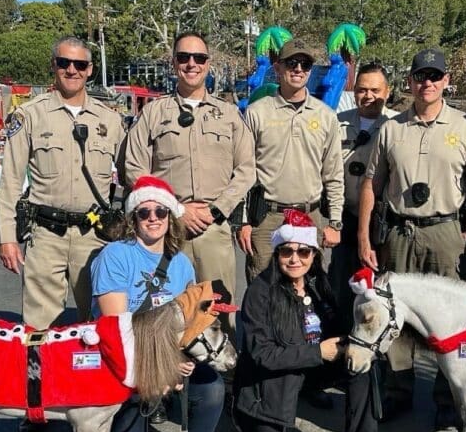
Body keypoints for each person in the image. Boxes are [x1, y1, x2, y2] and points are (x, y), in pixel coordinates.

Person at [0, 35, 125, 432]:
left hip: (95, 238)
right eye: (63, 63)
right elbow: (11, 180)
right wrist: (7, 237)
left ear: (90, 70)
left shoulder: (110, 118)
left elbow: (128, 173)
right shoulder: (31, 115)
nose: (72, 71)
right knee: (38, 329)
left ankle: (94, 396)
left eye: (80, 65)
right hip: (47, 234)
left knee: (97, 323)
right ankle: (35, 407)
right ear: (53, 66)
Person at [357, 48, 466, 428]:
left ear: (445, 81)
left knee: (451, 317)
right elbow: (371, 184)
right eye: (420, 76)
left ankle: (447, 397)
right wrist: (364, 237)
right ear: (410, 81)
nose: (427, 82)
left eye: (435, 76)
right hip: (399, 230)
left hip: (445, 231)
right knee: (396, 317)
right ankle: (398, 391)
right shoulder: (392, 129)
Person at [90, 175, 225, 432]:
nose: (153, 218)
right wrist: (159, 370)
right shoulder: (114, 255)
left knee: (212, 386)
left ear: (170, 216)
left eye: (160, 212)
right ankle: (94, 420)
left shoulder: (181, 263)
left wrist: (184, 359)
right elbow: (116, 329)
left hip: (166, 352)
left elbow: (190, 324)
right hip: (124, 357)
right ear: (133, 218)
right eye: (144, 212)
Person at [233, 209, 393, 432]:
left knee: (362, 360)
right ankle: (243, 414)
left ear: (314, 255)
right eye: (287, 252)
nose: (295, 259)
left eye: (303, 252)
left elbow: (338, 329)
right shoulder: (260, 292)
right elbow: (262, 353)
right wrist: (317, 352)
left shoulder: (319, 282)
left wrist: (362, 304)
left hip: (309, 365)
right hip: (270, 379)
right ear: (276, 253)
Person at [123, 31, 255, 350]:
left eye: (199, 58)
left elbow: (247, 169)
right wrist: (177, 209)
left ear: (208, 64)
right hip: (168, 230)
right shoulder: (154, 114)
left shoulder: (228, 115)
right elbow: (133, 167)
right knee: (168, 310)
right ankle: (170, 386)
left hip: (214, 229)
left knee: (219, 310)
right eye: (184, 58)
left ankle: (221, 386)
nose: (191, 64)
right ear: (174, 64)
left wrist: (215, 210)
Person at [239, 38, 344, 282]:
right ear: (277, 68)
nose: (298, 69)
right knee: (262, 293)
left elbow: (333, 174)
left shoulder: (326, 116)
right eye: (292, 63)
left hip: (310, 216)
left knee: (308, 292)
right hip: (267, 218)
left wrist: (335, 222)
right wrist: (242, 222)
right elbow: (243, 169)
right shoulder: (257, 112)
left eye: (305, 64)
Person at [329, 62, 397, 331]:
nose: (367, 95)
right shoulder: (337, 122)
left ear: (387, 92)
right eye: (361, 90)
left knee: (377, 292)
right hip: (345, 218)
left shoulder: (396, 126)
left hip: (381, 222)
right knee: (342, 289)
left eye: (374, 90)